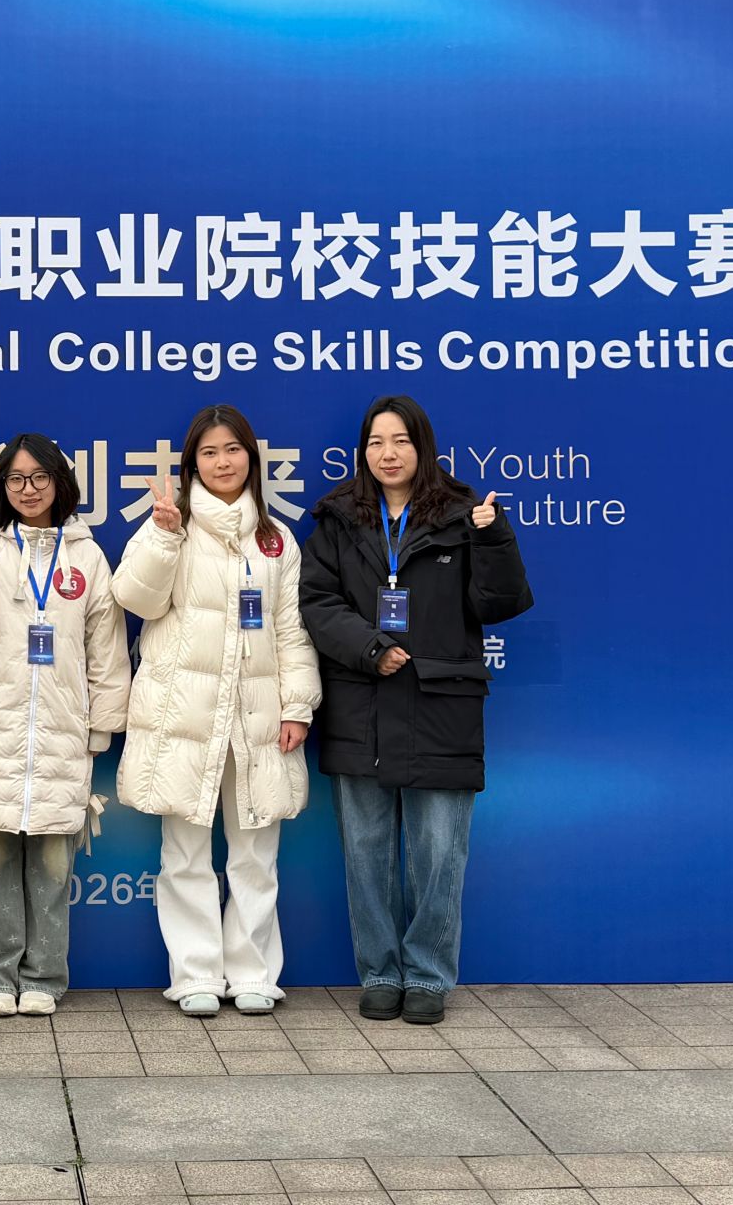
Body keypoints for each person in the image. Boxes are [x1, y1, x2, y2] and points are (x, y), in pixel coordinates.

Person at [299, 394, 532, 1026]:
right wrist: (371, 648)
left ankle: (428, 975)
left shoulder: (463, 513)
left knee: (438, 854)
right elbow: (316, 602)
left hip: (441, 705)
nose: (388, 454)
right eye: (376, 442)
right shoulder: (338, 518)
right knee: (367, 853)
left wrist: (494, 536)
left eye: (400, 441)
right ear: (362, 452)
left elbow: (500, 603)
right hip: (362, 704)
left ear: (423, 446)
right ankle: (379, 972)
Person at [112, 404, 321, 1017]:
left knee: (256, 854)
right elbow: (135, 599)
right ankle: (195, 974)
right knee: (184, 855)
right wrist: (163, 535)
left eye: (232, 450)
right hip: (184, 716)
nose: (222, 462)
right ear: (192, 464)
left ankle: (254, 973)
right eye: (209, 452)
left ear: (250, 457)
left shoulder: (276, 540)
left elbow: (291, 630)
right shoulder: (170, 524)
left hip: (257, 718)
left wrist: (297, 705)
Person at [0, 434, 132, 1018]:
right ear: (2, 487)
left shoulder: (87, 557)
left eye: (40, 477)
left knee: (53, 867)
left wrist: (102, 724)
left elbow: (106, 649)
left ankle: (44, 976)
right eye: (16, 479)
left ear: (60, 483)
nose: (28, 489)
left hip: (62, 734)